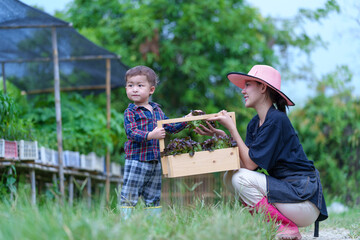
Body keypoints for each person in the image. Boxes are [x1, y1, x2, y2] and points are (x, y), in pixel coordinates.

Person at [194, 65, 327, 240]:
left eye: (247, 85)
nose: (242, 91)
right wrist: (223, 136)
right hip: (287, 196)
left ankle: (284, 227)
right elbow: (245, 166)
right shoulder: (255, 124)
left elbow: (248, 165)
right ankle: (272, 225)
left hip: (304, 200)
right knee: (230, 175)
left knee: (238, 177)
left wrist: (232, 129)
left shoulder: (276, 120)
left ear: (263, 88)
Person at [120, 65, 189, 218]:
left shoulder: (157, 110)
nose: (134, 89)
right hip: (137, 160)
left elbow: (170, 126)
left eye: (140, 85)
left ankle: (153, 224)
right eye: (130, 85)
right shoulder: (130, 111)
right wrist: (151, 135)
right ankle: (125, 224)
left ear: (151, 90)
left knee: (153, 196)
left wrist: (187, 119)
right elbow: (131, 132)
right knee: (129, 194)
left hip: (155, 161)